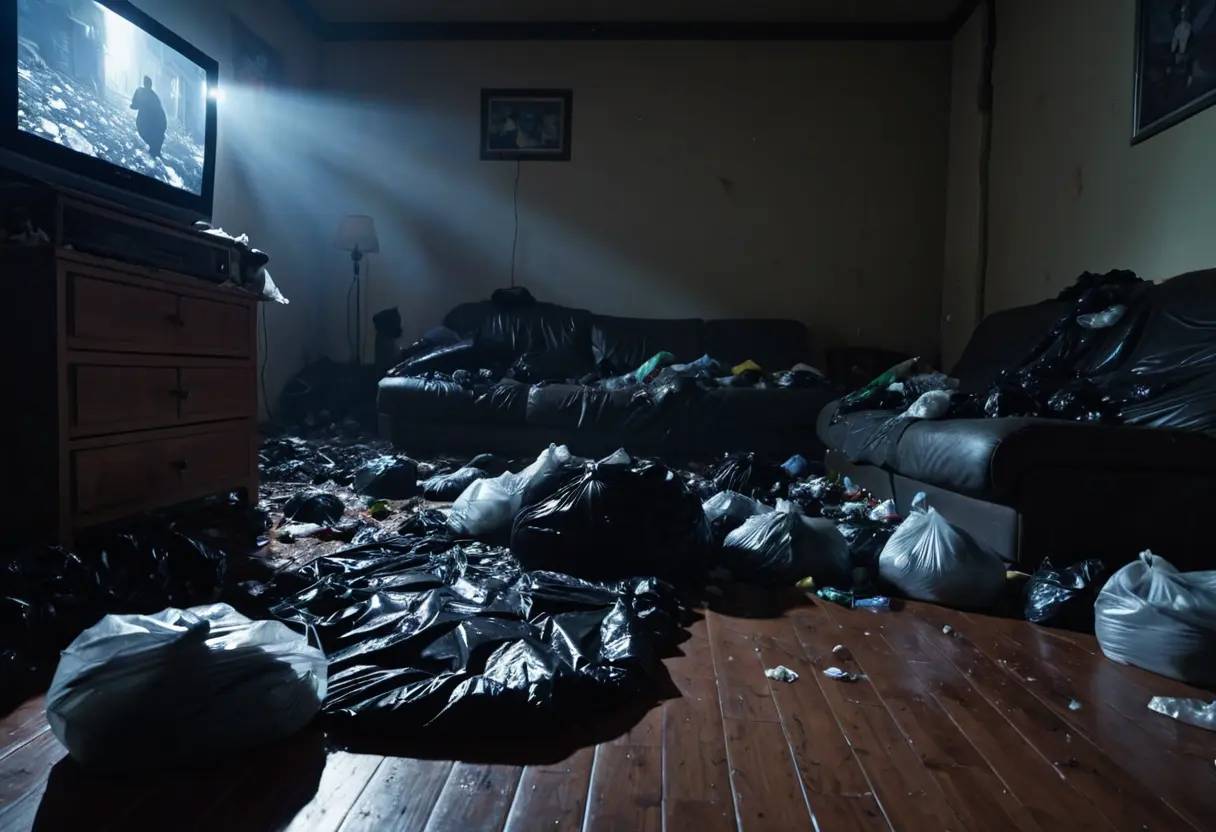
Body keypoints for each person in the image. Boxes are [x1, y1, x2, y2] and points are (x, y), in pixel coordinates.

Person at [130, 75, 167, 158]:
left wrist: (163, 125)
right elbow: (135, 104)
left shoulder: (152, 96)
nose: (147, 85)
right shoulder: (142, 92)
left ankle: (155, 151)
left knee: (153, 136)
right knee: (146, 133)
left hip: (152, 122)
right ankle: (154, 150)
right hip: (145, 121)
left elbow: (159, 111)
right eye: (146, 83)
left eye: (148, 83)